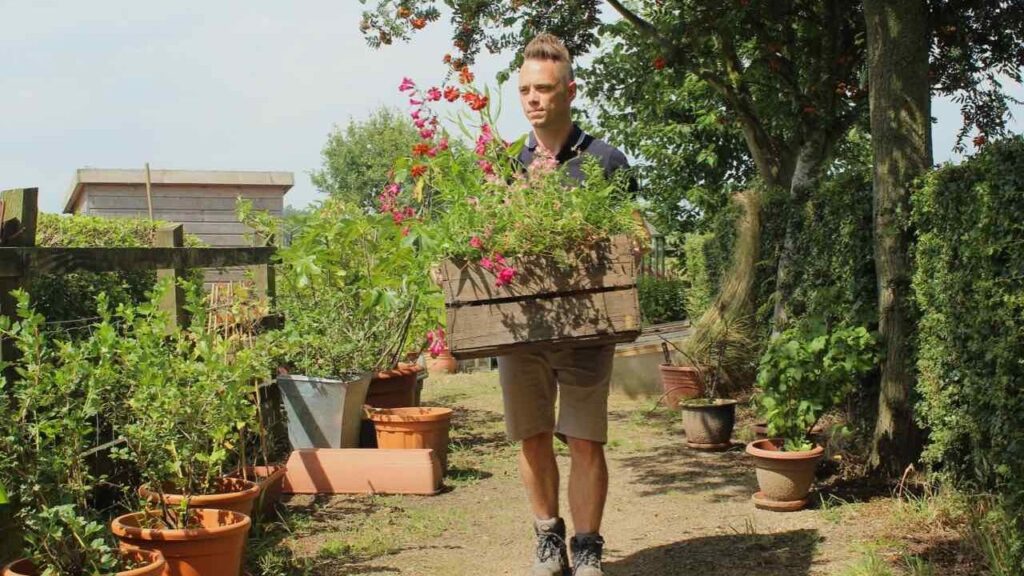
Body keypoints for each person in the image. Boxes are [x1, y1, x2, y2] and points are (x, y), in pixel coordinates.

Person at [500, 32, 634, 576]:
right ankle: (547, 540)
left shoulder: (605, 160)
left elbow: (630, 236)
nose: (533, 99)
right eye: (526, 89)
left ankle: (587, 550)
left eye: (545, 89)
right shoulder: (505, 163)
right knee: (532, 438)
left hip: (585, 327)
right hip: (520, 327)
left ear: (570, 90)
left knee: (584, 439)